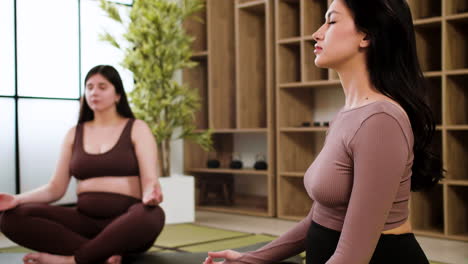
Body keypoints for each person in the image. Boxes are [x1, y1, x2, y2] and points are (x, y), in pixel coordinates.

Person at [203, 0, 444, 263]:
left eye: (331, 21)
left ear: (366, 35)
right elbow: (318, 220)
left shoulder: (381, 121)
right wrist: (249, 259)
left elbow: (353, 256)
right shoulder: (345, 115)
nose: (317, 33)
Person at [0, 65, 165, 264]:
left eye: (102, 87)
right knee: (11, 217)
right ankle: (101, 254)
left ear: (118, 95)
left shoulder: (137, 128)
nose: (94, 92)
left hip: (126, 223)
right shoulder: (74, 133)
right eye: (89, 87)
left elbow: (149, 180)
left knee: (152, 215)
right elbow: (55, 188)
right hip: (83, 222)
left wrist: (150, 195)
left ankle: (73, 260)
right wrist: (16, 199)